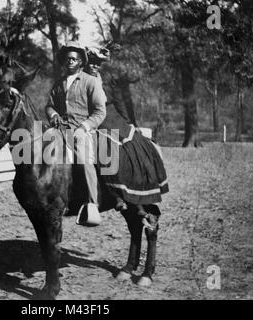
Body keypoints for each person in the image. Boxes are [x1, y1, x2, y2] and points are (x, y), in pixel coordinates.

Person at [84, 46, 169, 230]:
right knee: (103, 146)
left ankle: (135, 196)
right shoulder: (80, 79)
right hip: (91, 120)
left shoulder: (106, 81)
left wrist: (130, 123)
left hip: (112, 117)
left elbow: (119, 102)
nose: (94, 66)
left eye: (97, 63)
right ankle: (115, 195)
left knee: (130, 145)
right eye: (91, 62)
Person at [45, 41, 107, 226]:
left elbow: (100, 111)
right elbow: (49, 106)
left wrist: (85, 127)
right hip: (60, 129)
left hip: (81, 129)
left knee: (83, 157)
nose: (70, 62)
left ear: (81, 62)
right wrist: (53, 114)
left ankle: (92, 204)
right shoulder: (58, 84)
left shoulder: (90, 82)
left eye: (74, 59)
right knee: (40, 148)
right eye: (67, 59)